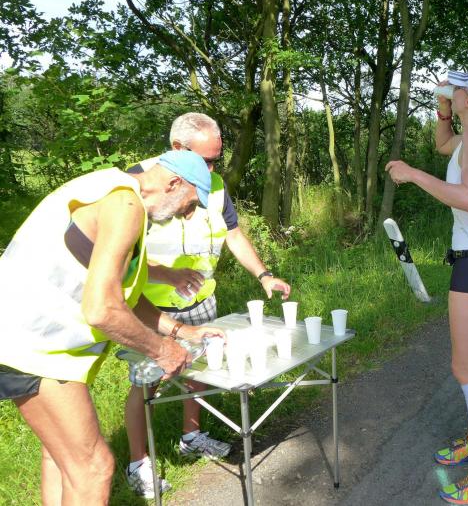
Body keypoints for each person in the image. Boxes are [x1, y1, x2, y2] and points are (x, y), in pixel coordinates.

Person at [0, 150, 225, 505]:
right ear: (173, 183)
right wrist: (163, 351)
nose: (187, 212)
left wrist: (181, 332)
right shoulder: (125, 205)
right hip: (35, 349)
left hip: (25, 341)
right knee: (94, 468)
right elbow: (102, 309)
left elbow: (123, 297)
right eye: (190, 202)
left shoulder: (111, 188)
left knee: (61, 460)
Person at [123, 112, 292, 498]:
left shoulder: (213, 184)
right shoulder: (138, 185)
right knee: (146, 383)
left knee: (200, 369)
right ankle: (138, 463)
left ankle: (192, 437)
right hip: (149, 309)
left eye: (218, 159)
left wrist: (264, 275)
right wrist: (164, 276)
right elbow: (120, 262)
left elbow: (233, 235)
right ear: (177, 149)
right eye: (207, 160)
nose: (213, 169)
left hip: (200, 299)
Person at [386, 66, 468, 504]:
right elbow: (444, 145)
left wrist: (413, 174)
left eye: (457, 89)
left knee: (465, 367)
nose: (451, 91)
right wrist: (442, 110)